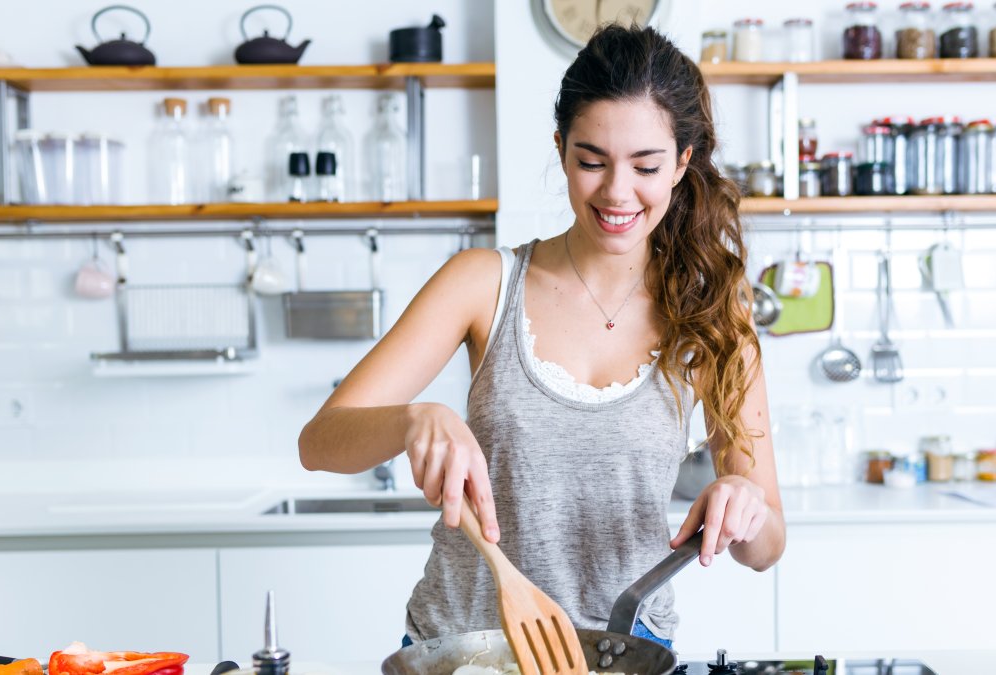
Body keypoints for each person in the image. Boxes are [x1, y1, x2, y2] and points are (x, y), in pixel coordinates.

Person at [298, 24, 785, 650]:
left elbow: (767, 548)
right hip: (465, 650)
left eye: (645, 165)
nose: (616, 192)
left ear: (683, 162)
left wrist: (745, 503)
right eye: (591, 161)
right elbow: (319, 443)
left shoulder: (714, 315)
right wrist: (411, 420)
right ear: (561, 151)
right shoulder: (481, 283)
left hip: (624, 652)